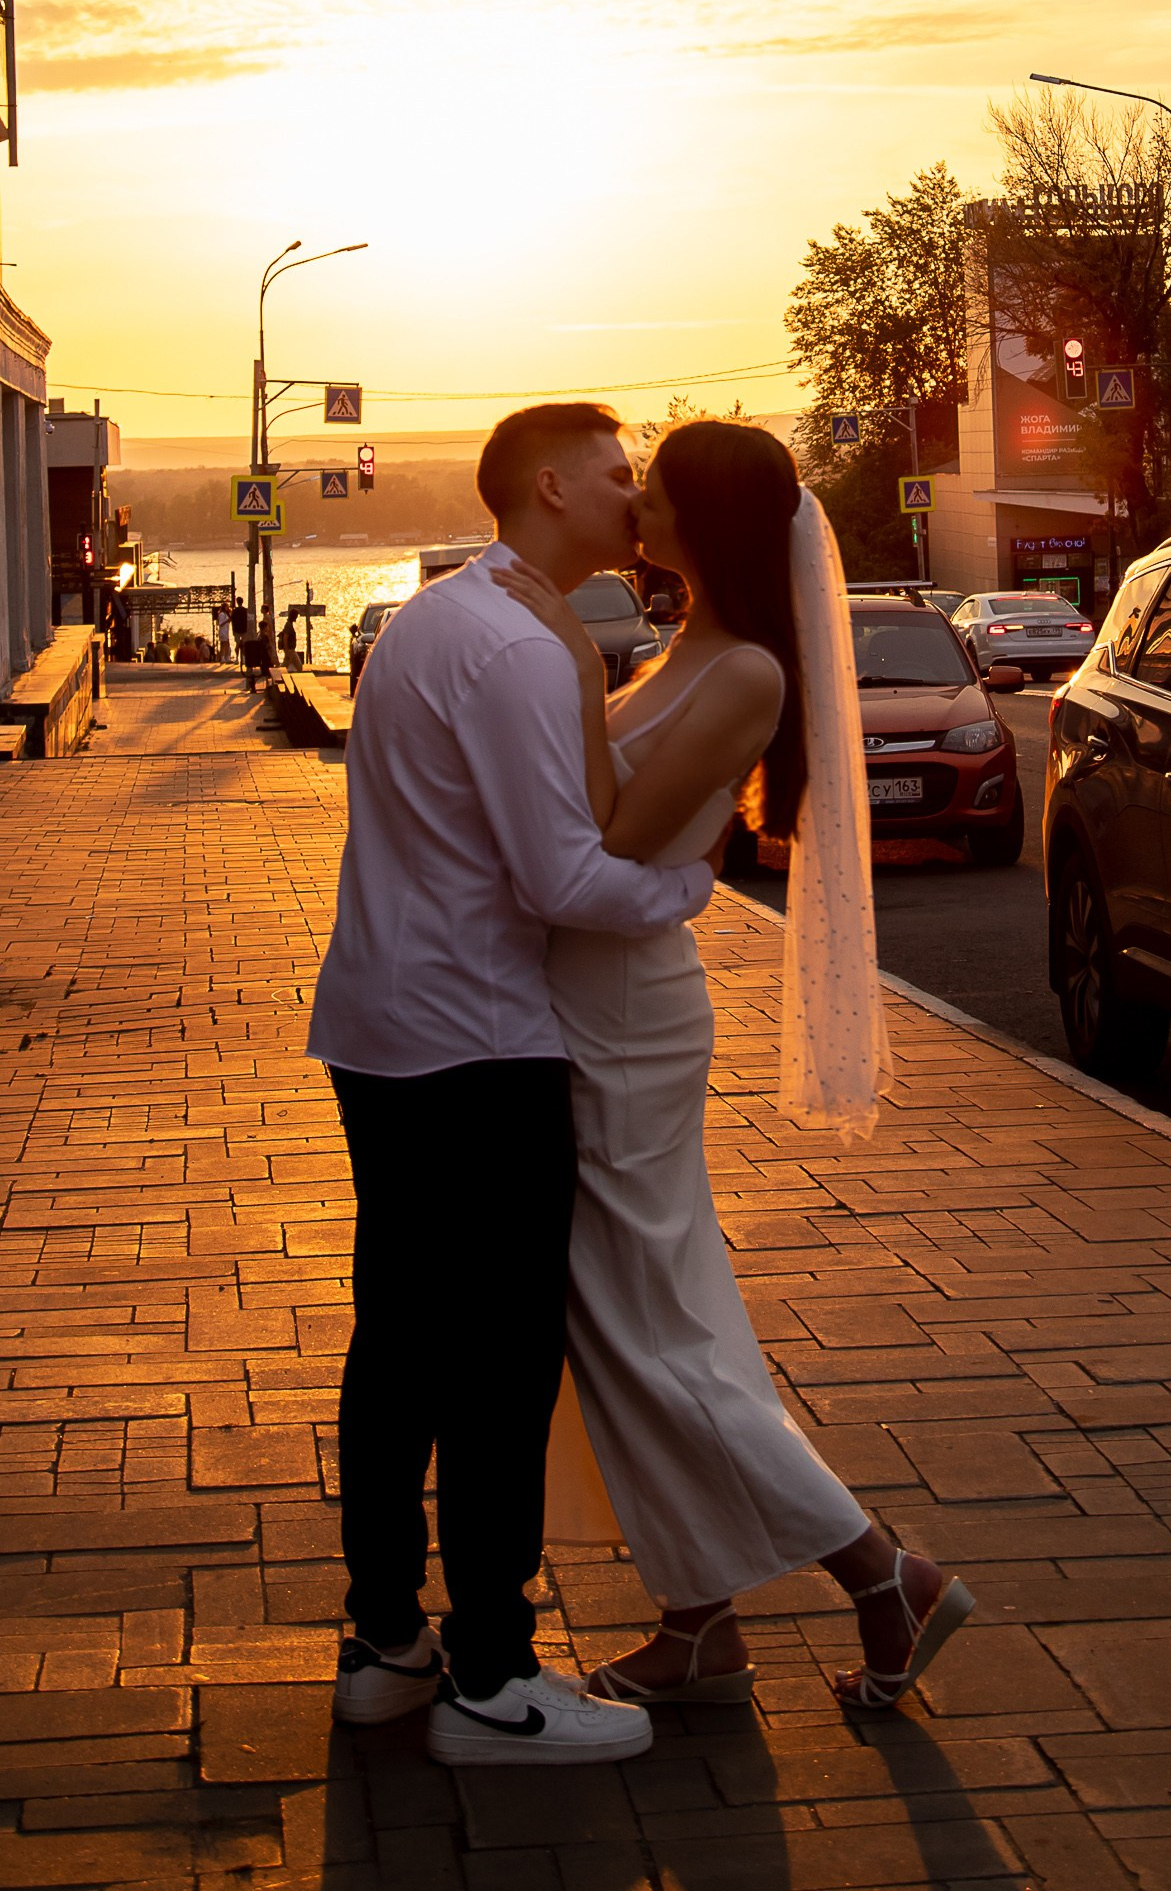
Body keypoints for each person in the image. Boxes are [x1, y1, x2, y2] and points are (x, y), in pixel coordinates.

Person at [495, 420, 974, 1715]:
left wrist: (565, 660)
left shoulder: (747, 671)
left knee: (645, 1331)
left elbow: (608, 839)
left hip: (625, 1019)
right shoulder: (681, 650)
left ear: (705, 519)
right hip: (590, 999)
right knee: (656, 1319)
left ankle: (882, 1575)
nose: (634, 505)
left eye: (654, 490)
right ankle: (699, 1622)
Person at [306, 404, 713, 1768]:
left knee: (399, 1343)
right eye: (616, 474)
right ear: (549, 486)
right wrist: (690, 883)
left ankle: (384, 1642)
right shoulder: (522, 648)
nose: (635, 497)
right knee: (497, 1360)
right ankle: (492, 1672)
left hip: (381, 1023)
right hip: (478, 1039)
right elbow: (560, 878)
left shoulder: (437, 618)